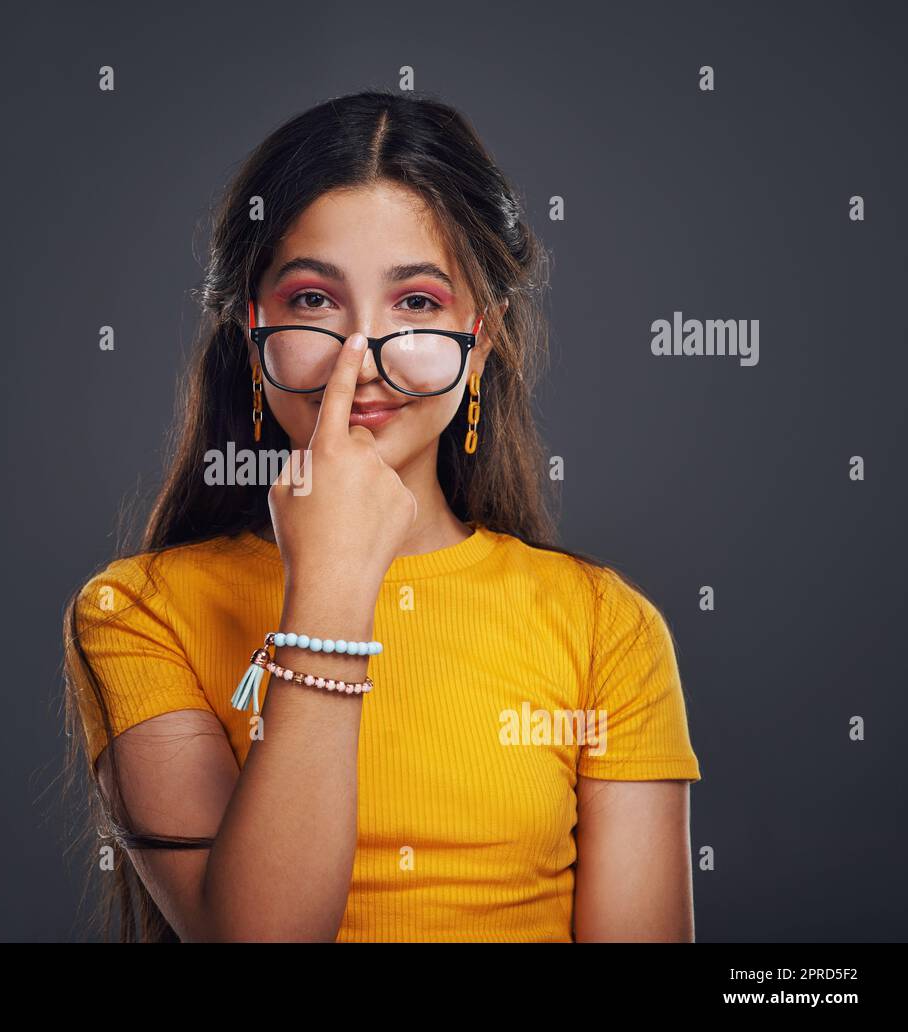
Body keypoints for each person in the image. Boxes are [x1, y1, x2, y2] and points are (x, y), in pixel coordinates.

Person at [61, 89, 701, 942]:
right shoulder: (137, 614)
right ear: (254, 335)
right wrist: (329, 583)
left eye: (418, 305)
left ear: (484, 341)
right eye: (314, 302)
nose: (360, 362)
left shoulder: (605, 629)